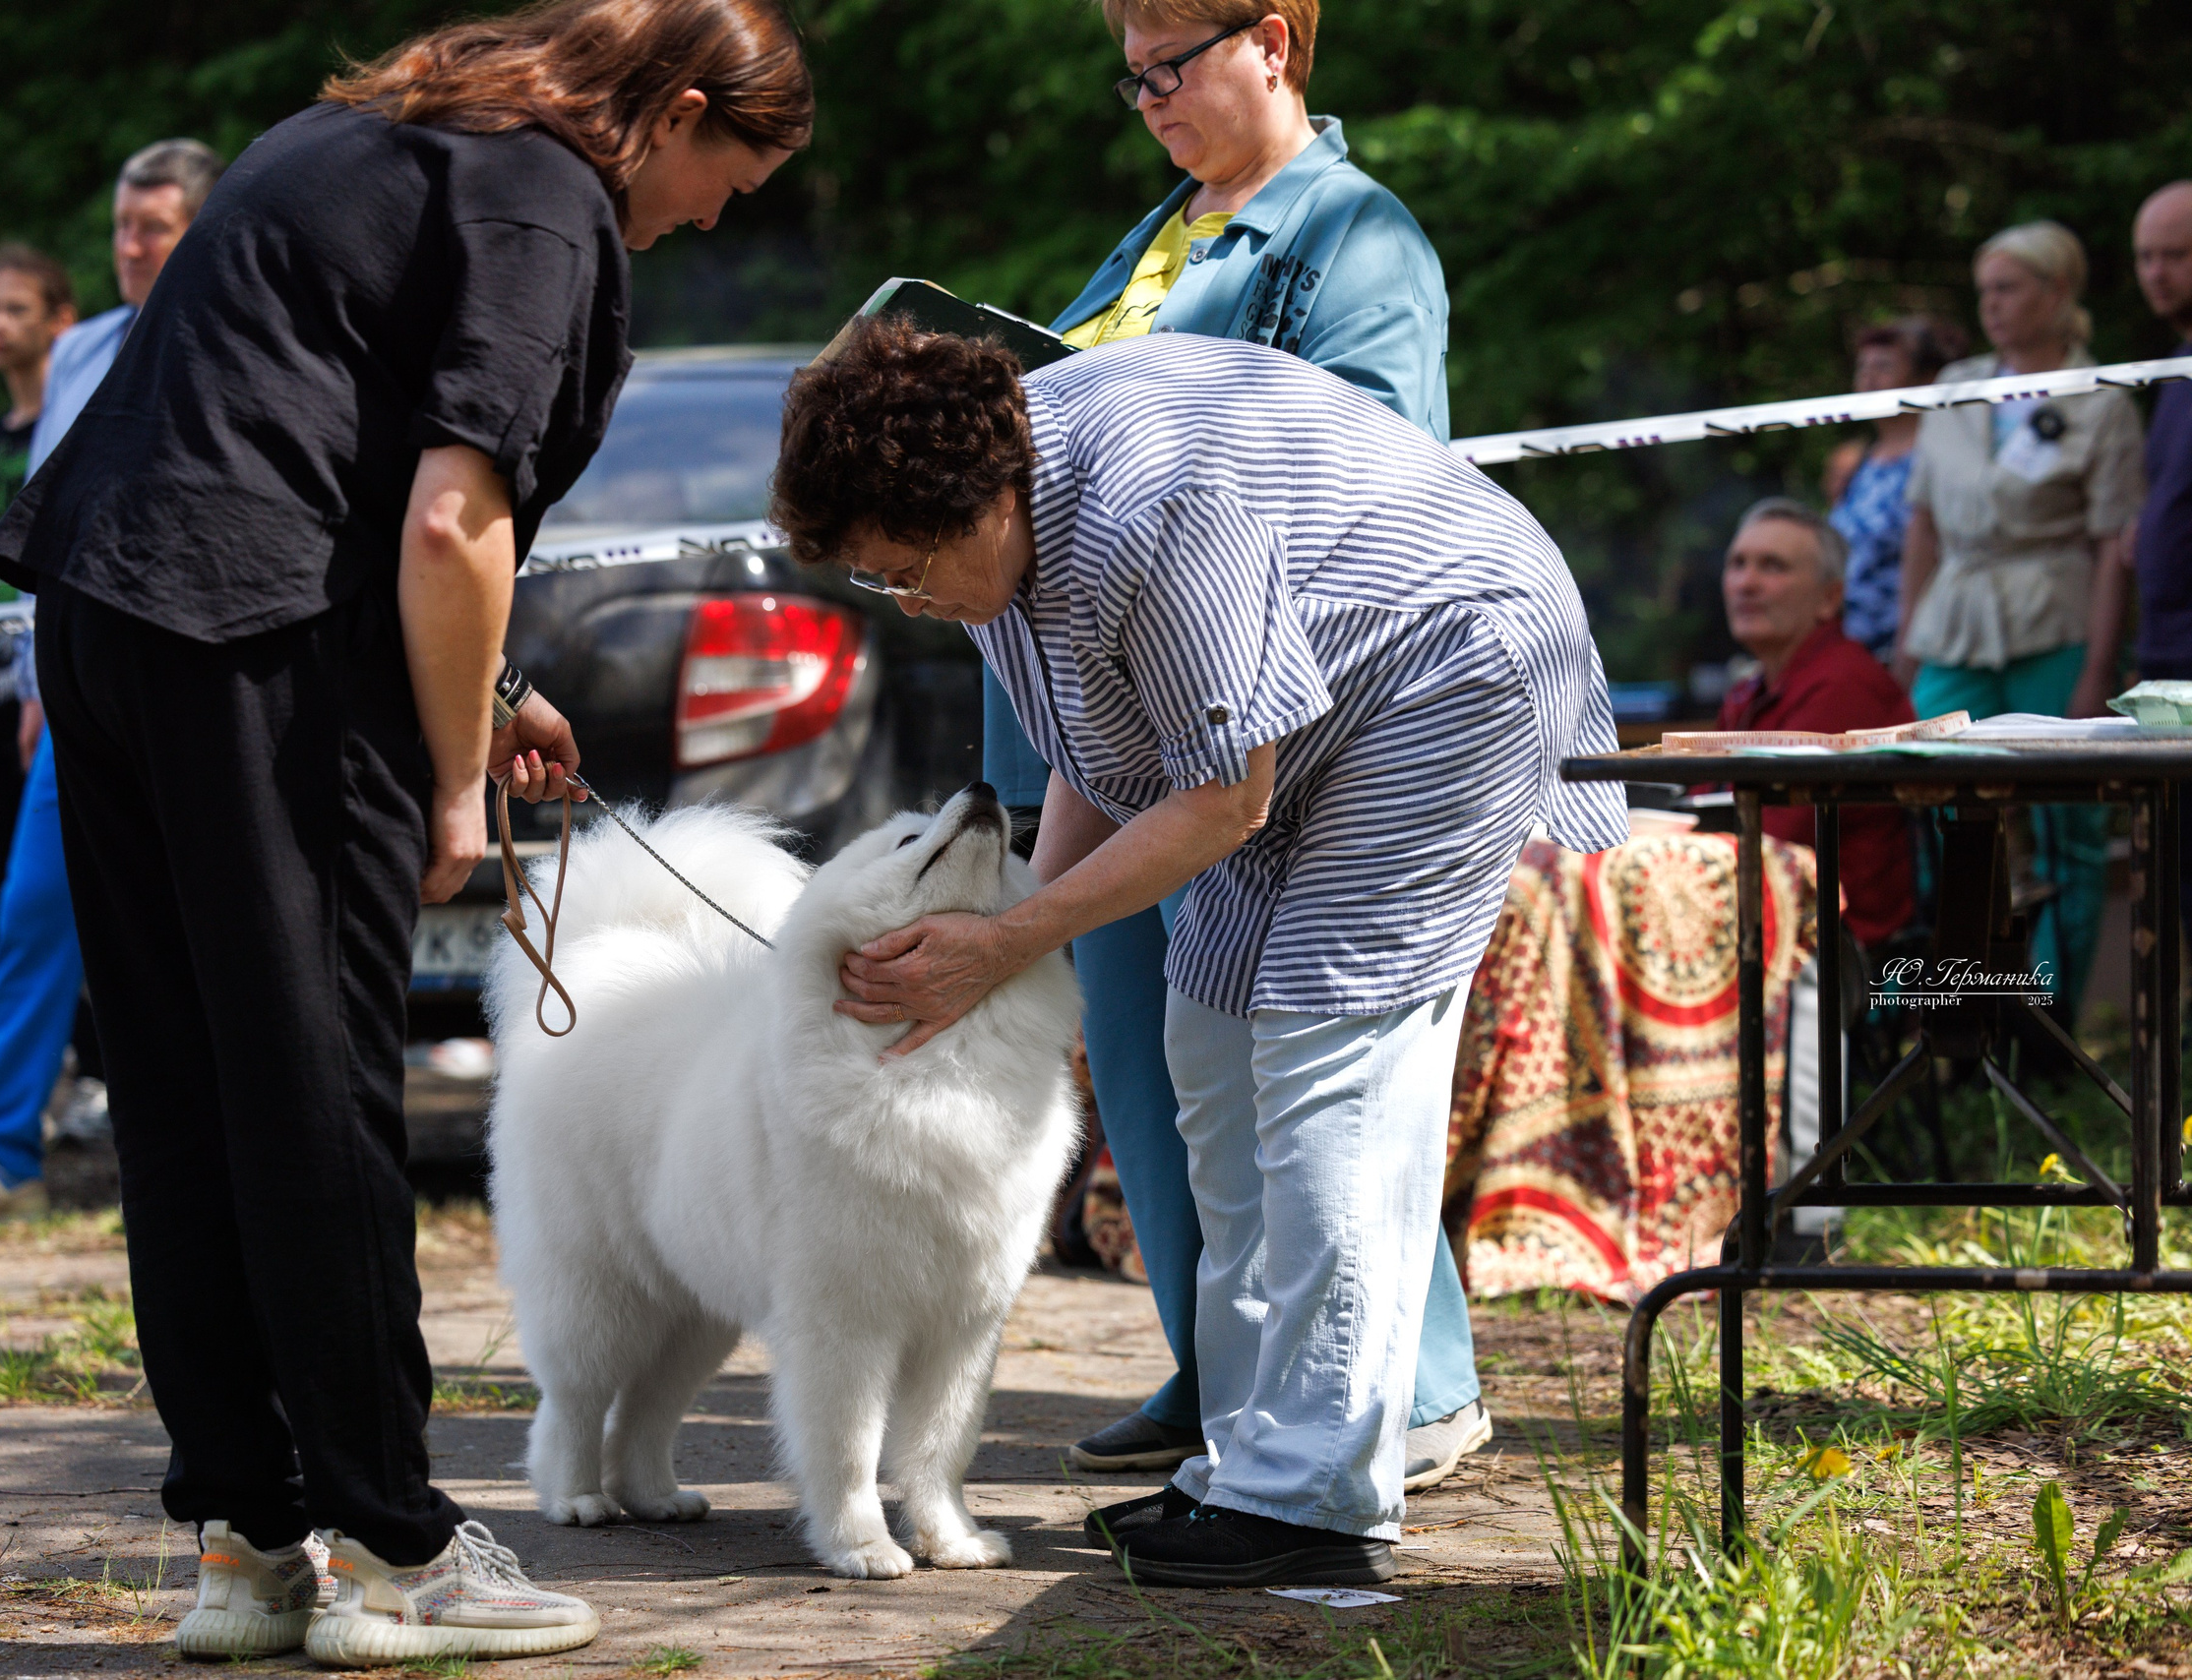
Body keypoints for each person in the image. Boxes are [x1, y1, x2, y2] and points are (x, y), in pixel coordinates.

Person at [0, 1, 809, 1663]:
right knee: (312, 1091)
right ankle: (392, 1551)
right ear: (681, 108)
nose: (718, 213)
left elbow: (323, 451)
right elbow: (448, 508)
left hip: (107, 617)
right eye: (737, 173)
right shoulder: (550, 193)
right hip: (253, 643)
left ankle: (247, 1539)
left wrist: (486, 684)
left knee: (187, 1091)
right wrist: (449, 778)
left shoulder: (366, 136)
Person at [776, 321, 1624, 1587]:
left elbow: (1224, 795)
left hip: (1448, 672)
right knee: (1211, 1048)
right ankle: (1247, 1460)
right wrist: (1009, 941)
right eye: (880, 582)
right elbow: (1092, 749)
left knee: (1326, 1061)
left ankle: (1316, 1499)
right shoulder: (991, 539)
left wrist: (1005, 939)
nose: (907, 601)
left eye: (908, 573)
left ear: (980, 503)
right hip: (1302, 719)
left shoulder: (1151, 506)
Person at [981, 0, 1491, 1492]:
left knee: (1303, 1080)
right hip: (1103, 726)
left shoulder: (1358, 236)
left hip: (1257, 727)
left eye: (1173, 63)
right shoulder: (1154, 239)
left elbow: (1375, 465)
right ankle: (1222, 1373)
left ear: (1273, 39)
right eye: (1130, 74)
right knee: (1154, 1079)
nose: (1148, 97)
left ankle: (1419, 1383)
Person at [0, 140, 223, 1238]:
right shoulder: (81, 348)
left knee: (205, 926)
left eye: (155, 226)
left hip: (202, 681)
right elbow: (54, 518)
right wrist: (41, 675)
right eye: (123, 226)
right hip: (74, 681)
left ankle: (214, 1158)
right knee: (33, 911)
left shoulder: (249, 323)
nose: (132, 247)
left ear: (204, 228)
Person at [1895, 221, 2147, 1023]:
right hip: (1956, 616)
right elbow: (1922, 524)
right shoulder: (1958, 384)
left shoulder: (2101, 399)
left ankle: (2051, 1023)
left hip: (2057, 613)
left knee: (2064, 821)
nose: (1992, 306)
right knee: (1941, 800)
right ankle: (1964, 1012)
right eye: (1984, 292)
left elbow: (2115, 544)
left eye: (2008, 289)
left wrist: (2097, 668)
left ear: (2057, 293)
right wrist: (1907, 639)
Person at [0, 245, 76, 974]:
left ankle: (93, 1057)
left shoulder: (75, 423)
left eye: (15, 309)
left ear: (61, 321)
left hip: (50, 666)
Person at [1717, 500, 1915, 943]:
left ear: (1830, 598)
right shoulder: (1750, 690)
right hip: (1762, 919)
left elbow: (1770, 842)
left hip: (1832, 955)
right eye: (1737, 564)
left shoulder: (1844, 686)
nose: (1746, 583)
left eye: (1772, 567)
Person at [1823, 317, 1965, 664]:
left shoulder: (1942, 460)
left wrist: (1908, 654)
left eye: (1884, 367)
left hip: (1920, 650)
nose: (1869, 379)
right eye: (1863, 367)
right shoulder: (1859, 465)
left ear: (1925, 379)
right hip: (1853, 650)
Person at [2129, 182, 2192, 686]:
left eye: (2175, 255)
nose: (2156, 273)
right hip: (2164, 646)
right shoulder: (2173, 369)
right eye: (2145, 256)